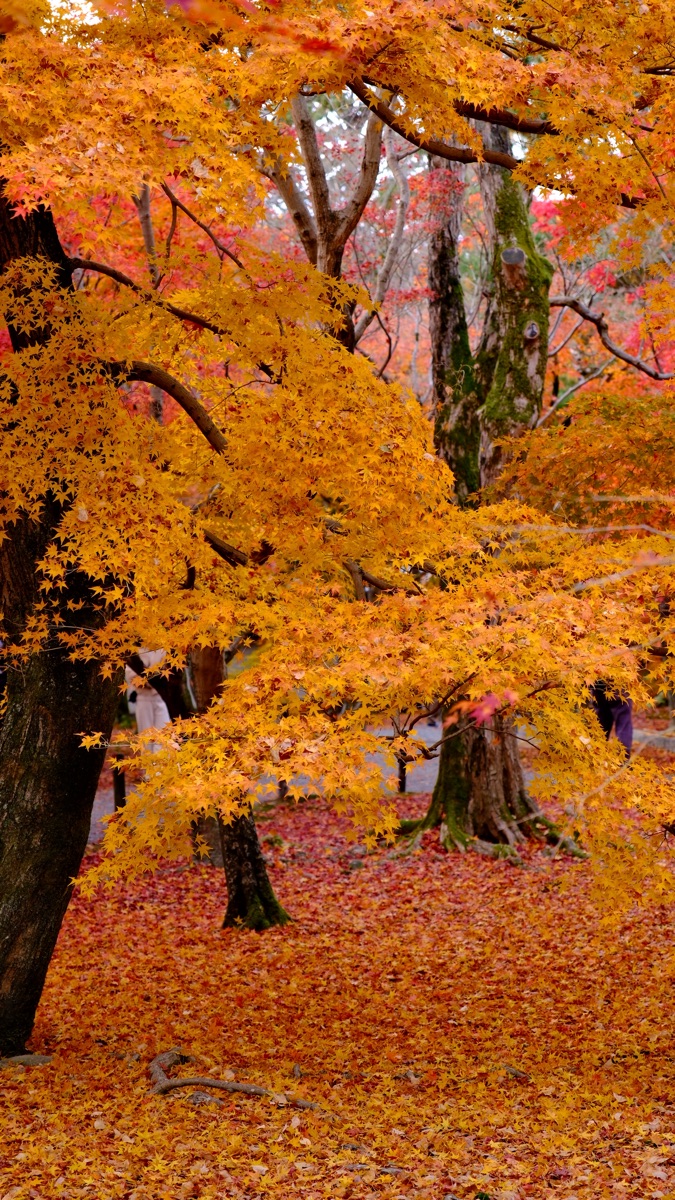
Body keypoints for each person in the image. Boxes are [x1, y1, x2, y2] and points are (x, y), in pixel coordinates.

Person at [124, 649, 171, 752]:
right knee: (146, 739)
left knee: (164, 736)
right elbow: (132, 677)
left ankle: (160, 767)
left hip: (160, 697)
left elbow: (167, 670)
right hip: (143, 698)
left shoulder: (162, 648)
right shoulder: (135, 650)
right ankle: (148, 767)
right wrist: (152, 682)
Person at [590, 681, 633, 757]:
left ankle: (597, 756)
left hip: (599, 687)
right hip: (620, 687)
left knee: (601, 724)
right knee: (623, 725)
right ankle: (623, 758)